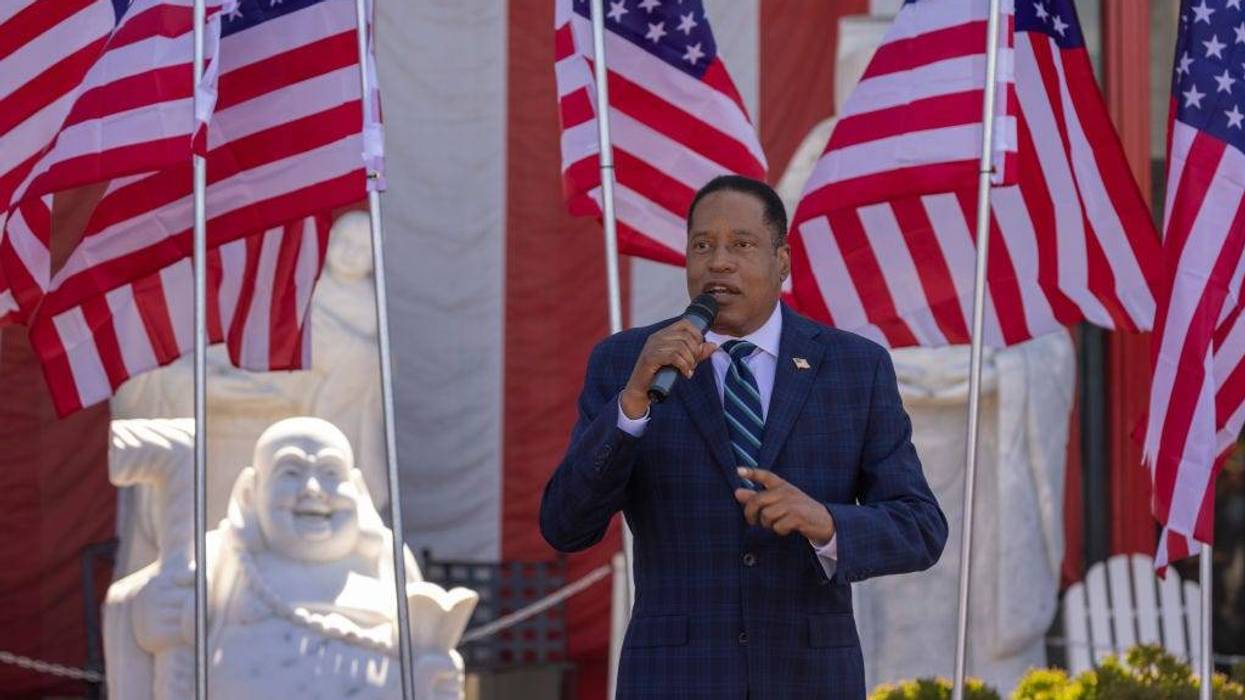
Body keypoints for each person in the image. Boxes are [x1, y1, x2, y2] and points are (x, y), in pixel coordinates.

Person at [540, 175, 948, 699]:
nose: (719, 262)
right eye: (702, 245)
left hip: (809, 679)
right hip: (674, 681)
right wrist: (631, 406)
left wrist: (825, 522)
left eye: (742, 244)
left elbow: (920, 527)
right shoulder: (627, 363)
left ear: (783, 260)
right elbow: (564, 525)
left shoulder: (853, 368)